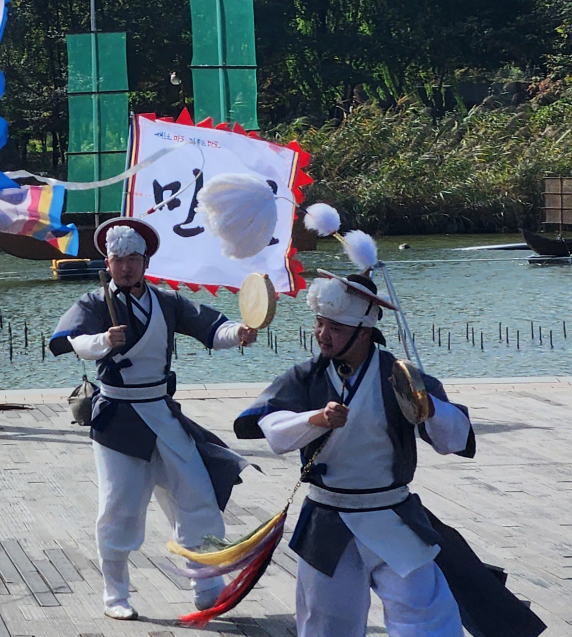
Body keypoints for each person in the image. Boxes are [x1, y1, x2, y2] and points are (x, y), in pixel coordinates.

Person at [234, 270, 544, 637]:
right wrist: (316, 419)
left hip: (392, 516)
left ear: (364, 332)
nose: (321, 334)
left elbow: (454, 439)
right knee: (325, 625)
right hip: (328, 520)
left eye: (333, 327)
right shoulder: (307, 377)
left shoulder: (399, 376)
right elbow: (275, 431)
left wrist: (428, 407)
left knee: (428, 618)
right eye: (319, 324)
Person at [47, 217, 256, 620]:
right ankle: (115, 594)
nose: (125, 266)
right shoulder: (94, 303)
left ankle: (207, 585)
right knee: (119, 507)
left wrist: (239, 333)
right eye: (117, 259)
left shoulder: (167, 302)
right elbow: (73, 341)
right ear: (107, 263)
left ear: (145, 262)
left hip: (161, 411)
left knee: (197, 494)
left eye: (133, 259)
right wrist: (103, 341)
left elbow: (211, 327)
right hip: (118, 420)